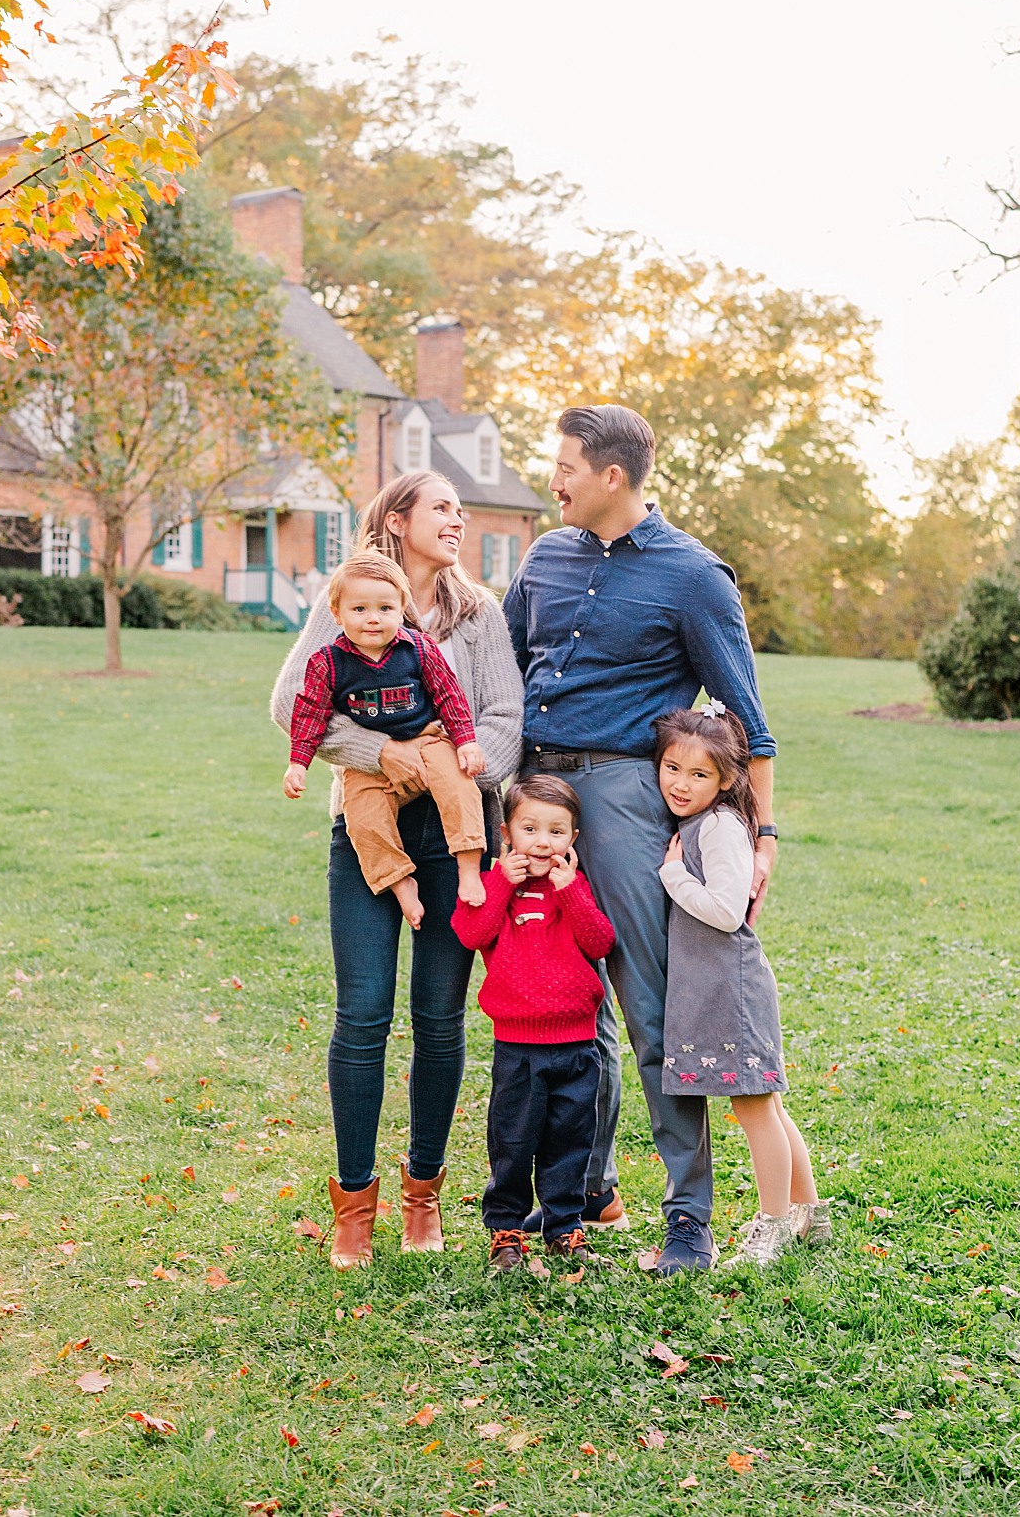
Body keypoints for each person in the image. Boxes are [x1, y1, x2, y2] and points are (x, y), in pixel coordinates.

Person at [503, 404, 778, 1275]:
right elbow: (502, 671)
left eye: (565, 467)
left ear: (611, 475)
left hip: (623, 792)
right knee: (551, 997)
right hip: (532, 792)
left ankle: (687, 1218)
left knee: (649, 1007)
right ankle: (585, 1189)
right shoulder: (544, 556)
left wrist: (762, 837)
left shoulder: (694, 575)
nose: (554, 479)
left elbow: (749, 723)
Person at [271, 472, 525, 1269]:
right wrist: (383, 754)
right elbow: (292, 703)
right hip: (368, 823)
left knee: (440, 1017)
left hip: (458, 833)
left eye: (461, 507)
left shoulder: (478, 612)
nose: (459, 519)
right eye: (443, 507)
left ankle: (423, 1194)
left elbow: (504, 721)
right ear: (398, 519)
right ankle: (354, 1204)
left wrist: (451, 768)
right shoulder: (345, 596)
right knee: (363, 1013)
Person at [652, 706, 828, 1267]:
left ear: (727, 779)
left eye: (699, 775)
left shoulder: (722, 826)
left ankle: (772, 1223)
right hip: (719, 986)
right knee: (766, 1106)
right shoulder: (699, 822)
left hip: (733, 988)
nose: (681, 783)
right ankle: (810, 1214)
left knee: (755, 1109)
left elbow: (728, 912)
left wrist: (674, 876)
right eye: (672, 767)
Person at [450, 775, 616, 1275]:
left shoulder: (575, 888)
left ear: (573, 840)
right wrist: (501, 881)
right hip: (518, 1046)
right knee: (513, 1141)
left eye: (557, 831)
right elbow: (471, 932)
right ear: (507, 834)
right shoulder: (494, 888)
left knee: (570, 1140)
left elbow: (600, 943)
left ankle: (564, 1227)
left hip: (577, 1044)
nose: (543, 842)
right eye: (531, 829)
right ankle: (506, 1230)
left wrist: (572, 893)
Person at [283, 550, 489, 928]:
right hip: (369, 763)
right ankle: (398, 880)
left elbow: (449, 696)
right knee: (361, 819)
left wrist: (466, 742)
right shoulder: (326, 663)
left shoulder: (419, 649)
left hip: (427, 740)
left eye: (385, 608)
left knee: (459, 785)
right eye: (359, 609)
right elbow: (310, 714)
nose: (373, 618)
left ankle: (469, 866)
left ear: (401, 610)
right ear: (337, 614)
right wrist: (298, 763)